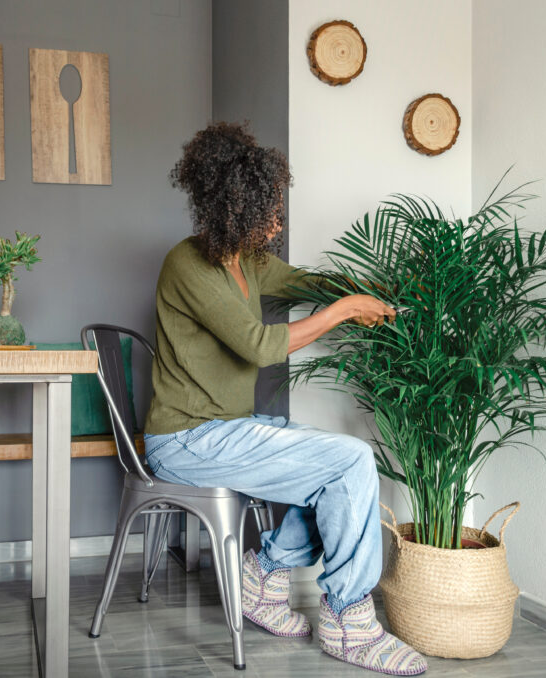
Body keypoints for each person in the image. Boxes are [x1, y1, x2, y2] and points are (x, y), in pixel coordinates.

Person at [143, 122, 427, 676]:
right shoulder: (188, 263)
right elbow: (259, 345)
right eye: (266, 209)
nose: (277, 221)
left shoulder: (249, 262)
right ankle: (349, 622)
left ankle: (265, 577)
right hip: (184, 439)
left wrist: (374, 293)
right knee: (349, 460)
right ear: (232, 207)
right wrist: (344, 312)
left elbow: (307, 283)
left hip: (227, 428)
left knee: (328, 465)